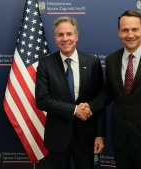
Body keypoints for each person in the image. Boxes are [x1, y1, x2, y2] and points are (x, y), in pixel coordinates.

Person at [84, 10, 141, 169]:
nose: (130, 34)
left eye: (135, 29)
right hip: (121, 139)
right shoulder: (112, 59)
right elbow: (108, 92)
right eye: (125, 30)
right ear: (118, 32)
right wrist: (89, 106)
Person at [35, 16, 106, 169]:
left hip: (86, 137)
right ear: (55, 38)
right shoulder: (45, 64)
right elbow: (42, 100)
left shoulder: (92, 62)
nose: (65, 39)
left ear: (76, 36)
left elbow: (100, 99)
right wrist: (74, 110)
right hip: (58, 137)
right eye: (60, 35)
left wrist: (99, 135)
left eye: (69, 34)